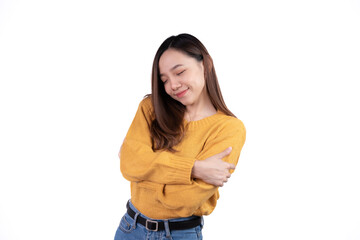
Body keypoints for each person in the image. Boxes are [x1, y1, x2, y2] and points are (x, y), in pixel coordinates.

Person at [114, 33, 246, 240]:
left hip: (179, 235)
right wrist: (194, 168)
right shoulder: (151, 109)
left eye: (180, 72)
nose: (172, 85)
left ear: (206, 64)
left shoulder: (229, 128)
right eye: (164, 80)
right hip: (130, 229)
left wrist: (144, 175)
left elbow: (187, 200)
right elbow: (128, 165)